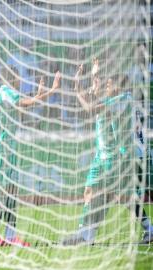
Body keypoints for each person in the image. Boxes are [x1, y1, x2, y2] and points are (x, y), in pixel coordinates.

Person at [62, 61, 153, 245]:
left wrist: (78, 88)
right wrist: (93, 81)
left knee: (120, 196)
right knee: (92, 191)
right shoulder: (116, 100)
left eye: (111, 84)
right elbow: (96, 103)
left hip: (125, 155)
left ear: (121, 87)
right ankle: (86, 234)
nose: (107, 86)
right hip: (105, 155)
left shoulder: (122, 100)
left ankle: (148, 229)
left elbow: (91, 108)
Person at [0, 68, 61, 247]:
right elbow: (24, 103)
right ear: (11, 78)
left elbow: (22, 107)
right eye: (17, 77)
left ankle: (9, 235)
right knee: (2, 193)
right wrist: (50, 92)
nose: (20, 80)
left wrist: (38, 94)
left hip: (4, 150)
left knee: (10, 192)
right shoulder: (6, 92)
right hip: (1, 151)